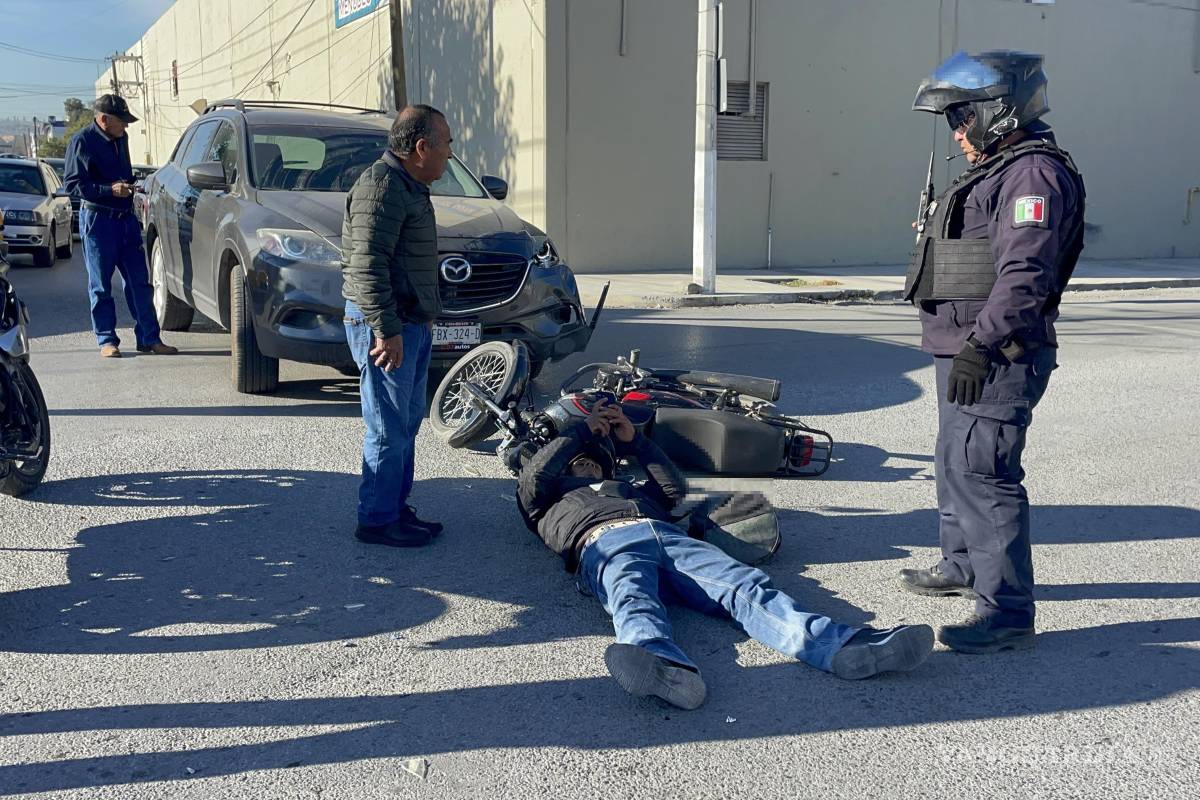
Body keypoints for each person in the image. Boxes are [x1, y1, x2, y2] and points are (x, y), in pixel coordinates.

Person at [518, 400, 934, 710]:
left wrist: (636, 443)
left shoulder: (627, 490)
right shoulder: (547, 501)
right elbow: (536, 474)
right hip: (603, 544)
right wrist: (580, 434)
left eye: (594, 463)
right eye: (579, 464)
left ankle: (843, 646)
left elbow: (674, 491)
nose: (587, 467)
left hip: (666, 535)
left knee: (745, 585)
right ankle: (663, 665)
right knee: (632, 598)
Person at [900, 52, 1086, 653]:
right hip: (963, 346)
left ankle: (1005, 610)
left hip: (998, 351)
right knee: (954, 460)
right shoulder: (998, 168)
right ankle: (962, 565)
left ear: (1000, 110)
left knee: (984, 471)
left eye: (964, 116)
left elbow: (1024, 273)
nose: (957, 131)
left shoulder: (1033, 174)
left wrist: (982, 343)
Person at [341, 105, 452, 548]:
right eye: (446, 144)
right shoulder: (382, 187)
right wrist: (387, 331)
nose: (449, 152)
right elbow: (367, 266)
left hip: (409, 323)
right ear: (421, 147)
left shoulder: (408, 185)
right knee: (387, 426)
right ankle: (376, 519)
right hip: (387, 326)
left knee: (405, 422)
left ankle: (394, 508)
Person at [64, 95, 176, 359]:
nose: (125, 128)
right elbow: (73, 186)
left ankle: (150, 338)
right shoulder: (81, 141)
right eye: (121, 122)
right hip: (98, 222)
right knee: (101, 285)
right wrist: (109, 190)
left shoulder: (121, 140)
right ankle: (107, 340)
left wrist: (131, 185)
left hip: (125, 220)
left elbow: (122, 174)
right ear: (103, 120)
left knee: (140, 283)